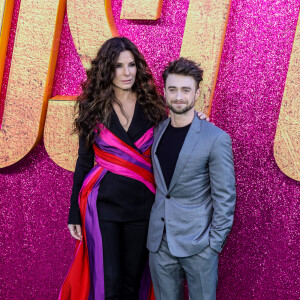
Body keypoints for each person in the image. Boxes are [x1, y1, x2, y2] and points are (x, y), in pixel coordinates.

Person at [59, 37, 208, 300]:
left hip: (144, 207)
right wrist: (73, 212)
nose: (127, 73)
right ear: (107, 69)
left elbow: (175, 140)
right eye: (118, 66)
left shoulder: (155, 106)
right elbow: (83, 161)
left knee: (133, 283)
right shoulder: (91, 107)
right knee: (109, 284)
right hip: (103, 206)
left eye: (131, 65)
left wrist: (196, 122)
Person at [147, 57, 236, 300]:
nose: (178, 96)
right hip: (159, 244)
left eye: (186, 90)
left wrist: (213, 246)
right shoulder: (156, 131)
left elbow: (225, 197)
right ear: (164, 92)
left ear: (197, 93)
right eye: (173, 89)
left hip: (199, 245)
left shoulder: (215, 138)